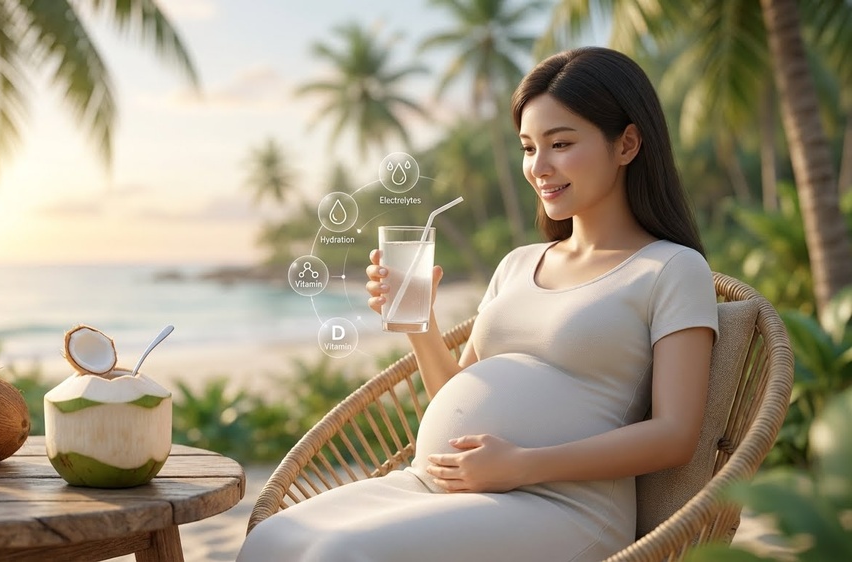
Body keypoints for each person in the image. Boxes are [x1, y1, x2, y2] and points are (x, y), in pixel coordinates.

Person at [237, 46, 719, 562]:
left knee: (340, 557)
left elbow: (675, 435)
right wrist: (421, 325)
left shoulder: (671, 269)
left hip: (563, 504)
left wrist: (523, 464)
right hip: (440, 484)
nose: (539, 167)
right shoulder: (517, 264)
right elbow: (457, 393)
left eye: (560, 143)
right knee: (269, 542)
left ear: (626, 144)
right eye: (529, 148)